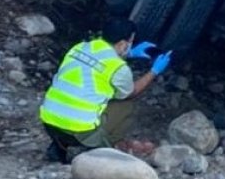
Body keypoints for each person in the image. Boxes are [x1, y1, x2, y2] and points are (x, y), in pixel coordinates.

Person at [39, 18, 172, 163]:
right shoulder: (118, 67)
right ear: (123, 43)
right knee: (125, 105)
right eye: (130, 42)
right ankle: (100, 150)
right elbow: (132, 92)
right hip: (78, 131)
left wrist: (129, 54)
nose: (130, 45)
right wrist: (154, 71)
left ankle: (59, 147)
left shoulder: (79, 47)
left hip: (49, 122)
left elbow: (98, 60)